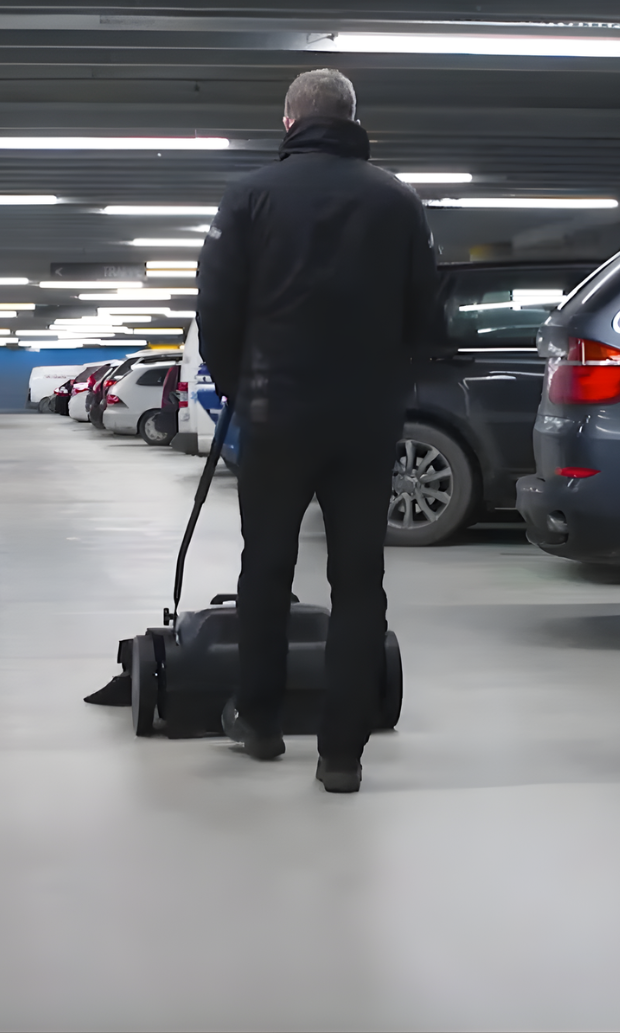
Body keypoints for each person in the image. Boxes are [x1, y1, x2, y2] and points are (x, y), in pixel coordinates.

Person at [196, 68, 439, 793]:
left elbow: (217, 308)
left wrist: (241, 387)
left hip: (276, 414)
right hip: (365, 420)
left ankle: (262, 722)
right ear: (354, 118)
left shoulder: (249, 198)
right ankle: (342, 754)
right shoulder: (398, 201)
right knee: (360, 580)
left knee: (265, 568)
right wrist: (388, 382)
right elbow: (424, 313)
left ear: (289, 120)